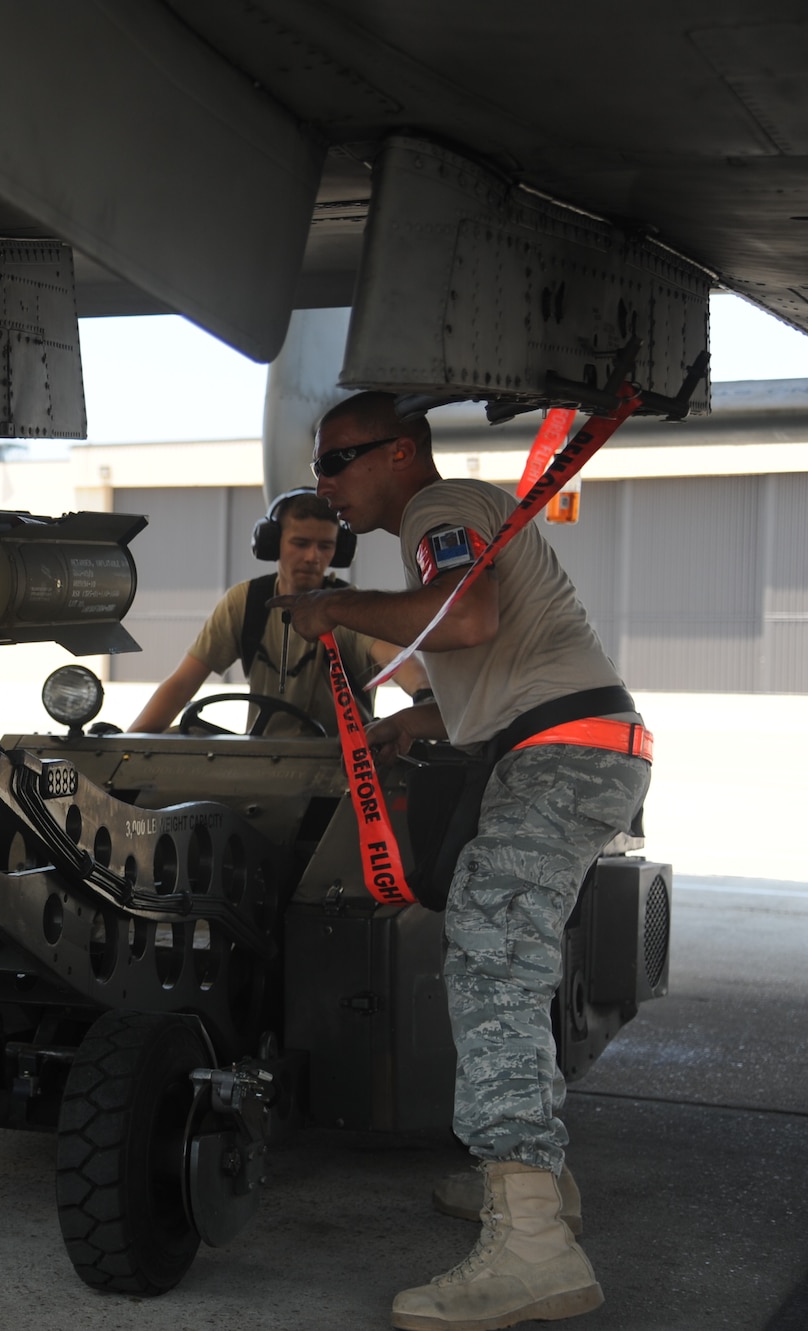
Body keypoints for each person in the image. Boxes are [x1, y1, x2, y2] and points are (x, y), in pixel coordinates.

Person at [271, 391, 651, 1331]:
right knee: (511, 955)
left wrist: (334, 606)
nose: (324, 488)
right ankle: (537, 1188)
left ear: (400, 452)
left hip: (562, 753)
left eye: (338, 463)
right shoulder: (463, 515)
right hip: (580, 740)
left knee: (488, 957)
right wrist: (425, 719)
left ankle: (531, 1247)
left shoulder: (440, 512)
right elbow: (509, 657)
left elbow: (468, 618)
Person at [127, 490, 425, 735]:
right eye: (300, 543)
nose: (312, 557)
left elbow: (398, 660)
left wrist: (425, 696)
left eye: (325, 546)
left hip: (340, 770)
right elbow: (182, 684)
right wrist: (129, 746)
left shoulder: (349, 607)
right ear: (273, 543)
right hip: (263, 764)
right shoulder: (244, 602)